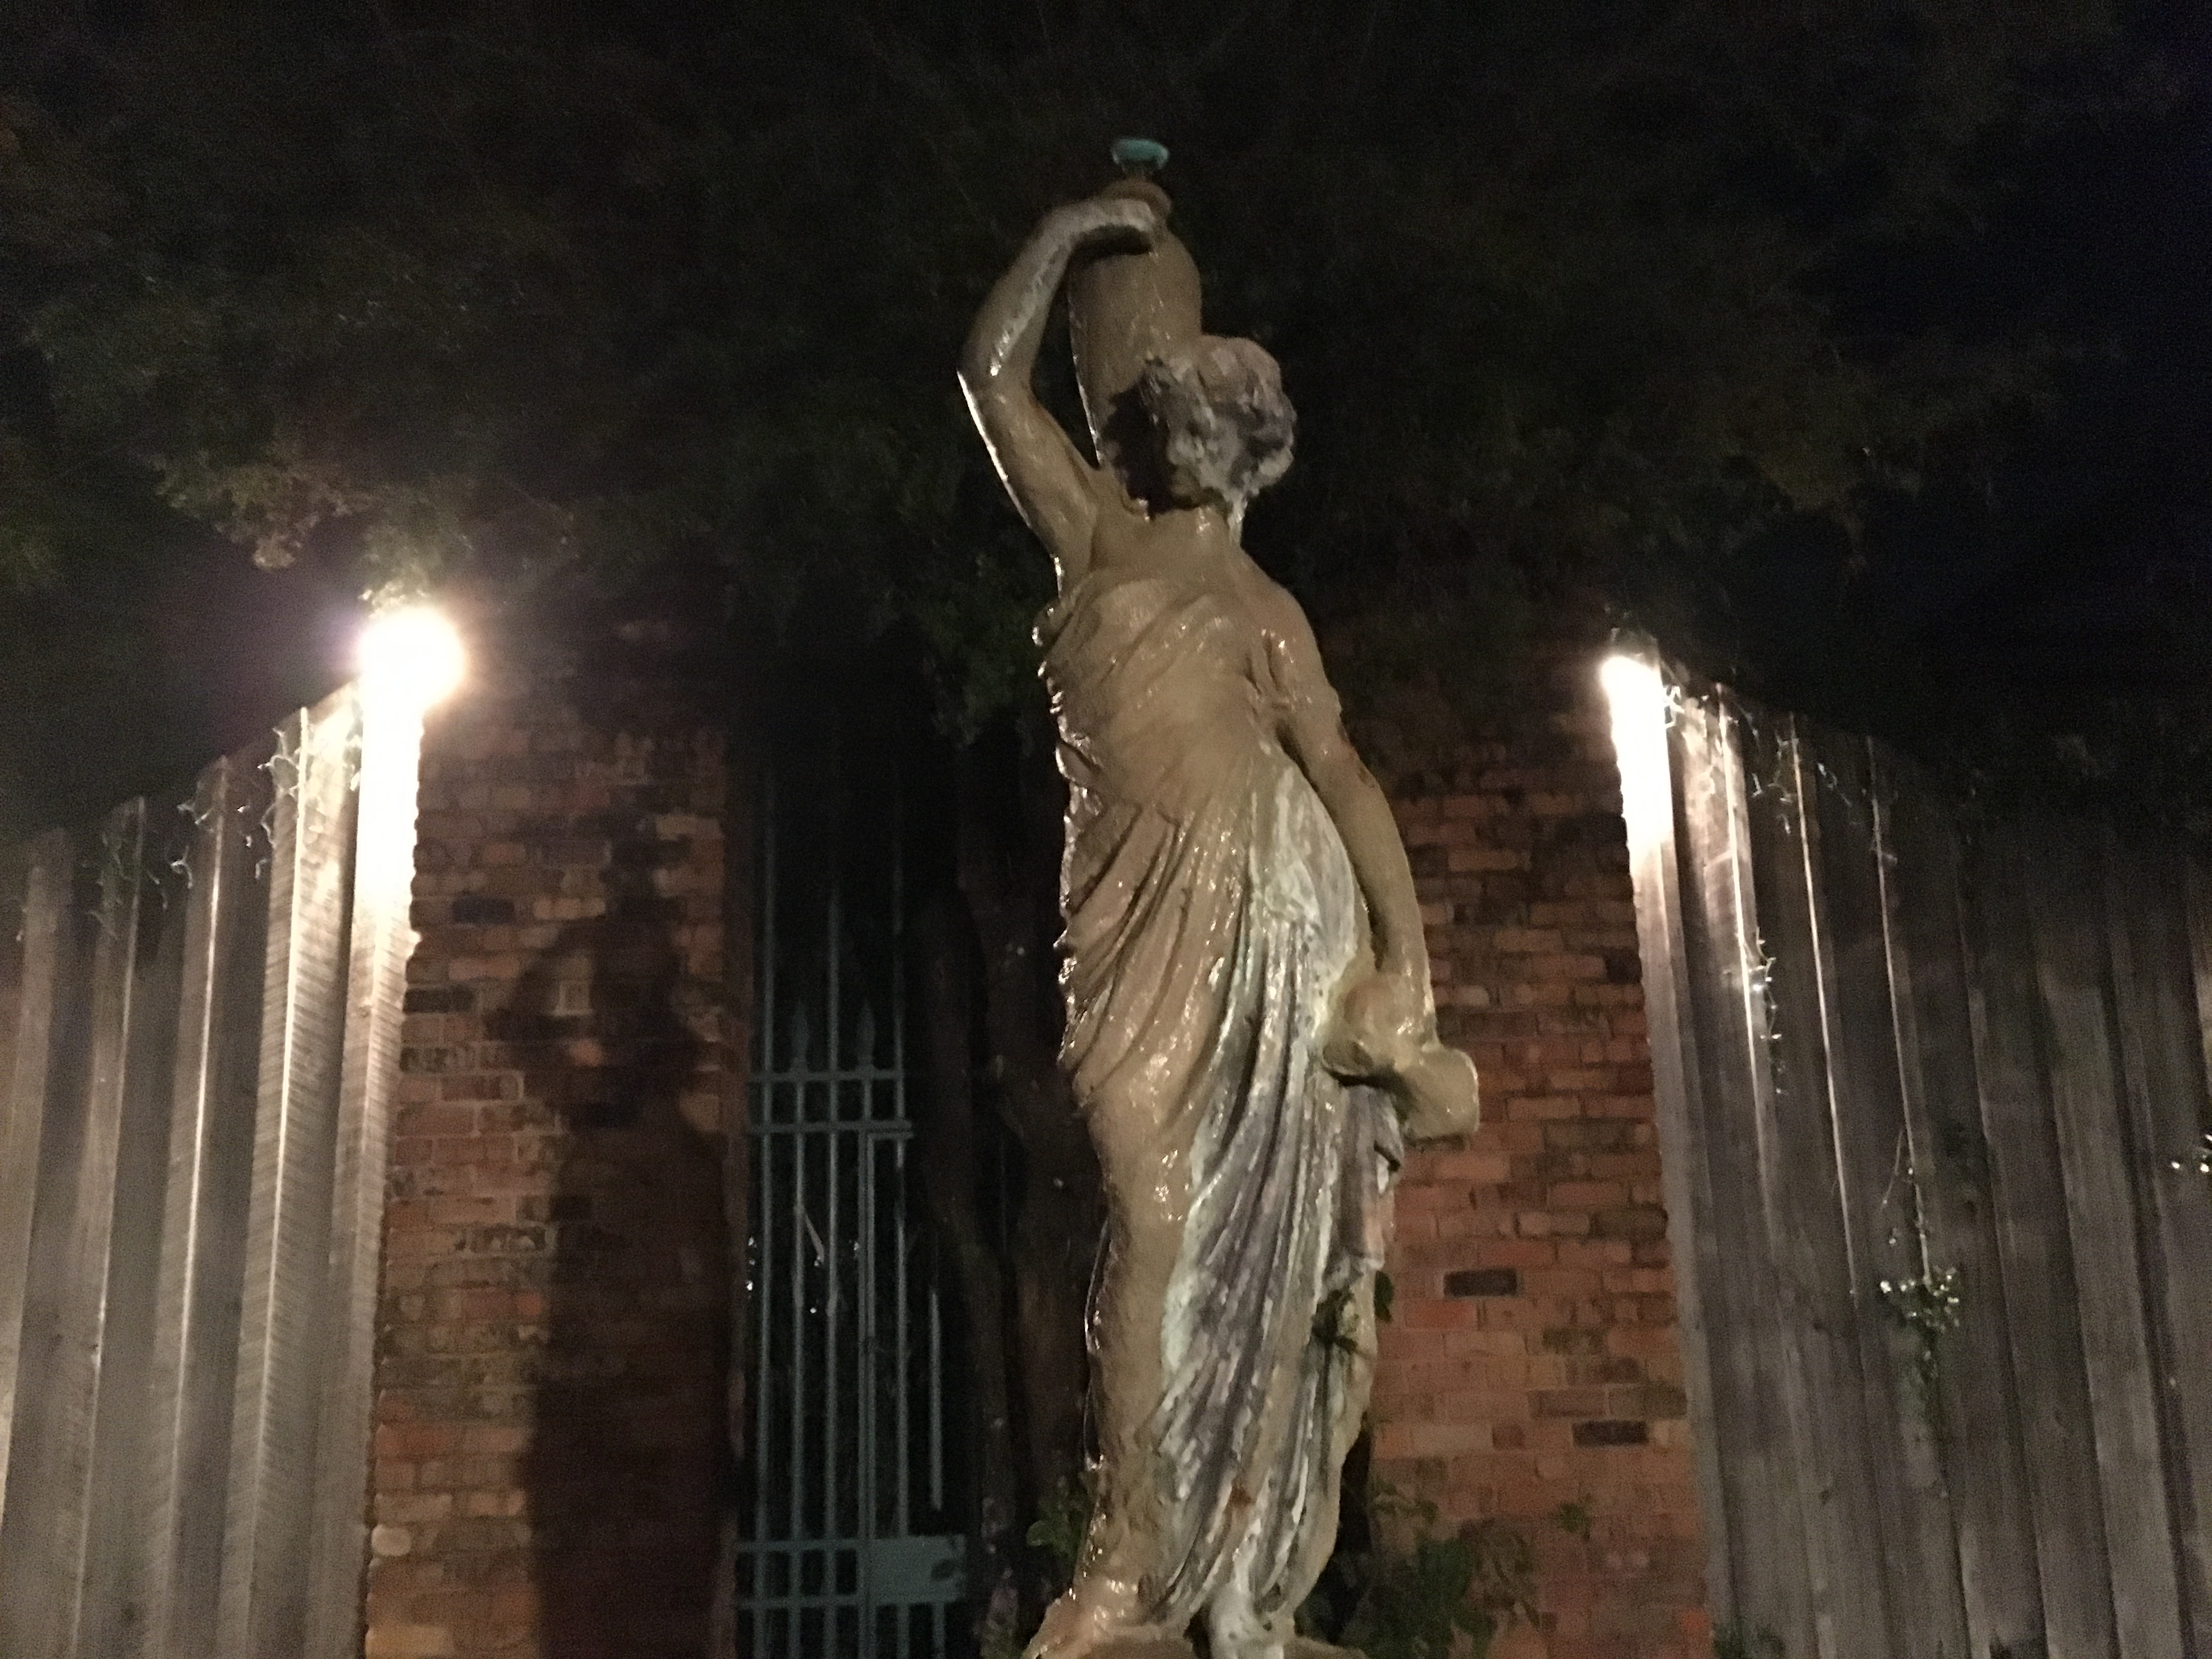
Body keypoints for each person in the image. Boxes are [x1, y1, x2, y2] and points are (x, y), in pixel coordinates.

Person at [958, 173, 1480, 1659]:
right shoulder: (1091, 540)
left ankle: (1205, 1572)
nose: (1163, 429)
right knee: (1149, 1210)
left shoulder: (1267, 613)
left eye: (1188, 410)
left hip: (1276, 923)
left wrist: (1405, 960)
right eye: (1150, 402)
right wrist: (1067, 231)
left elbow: (1345, 774)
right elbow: (987, 377)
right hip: (1130, 929)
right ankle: (1126, 1568)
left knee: (1231, 1245)